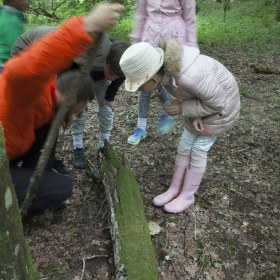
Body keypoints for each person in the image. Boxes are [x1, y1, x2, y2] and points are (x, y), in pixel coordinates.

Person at [0, 3, 125, 221]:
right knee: (61, 188)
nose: (76, 115)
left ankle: (28, 180)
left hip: (12, 145)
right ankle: (14, 215)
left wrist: (63, 113)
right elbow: (22, 70)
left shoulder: (50, 91)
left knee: (50, 131)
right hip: (6, 149)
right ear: (68, 99)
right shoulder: (27, 89)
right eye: (76, 110)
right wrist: (87, 26)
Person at [120, 40, 240, 213]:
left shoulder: (189, 77)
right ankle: (175, 188)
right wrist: (194, 112)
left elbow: (218, 103)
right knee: (185, 146)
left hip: (221, 110)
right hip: (203, 107)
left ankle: (187, 195)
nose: (140, 91)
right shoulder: (168, 74)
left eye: (139, 86)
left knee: (198, 149)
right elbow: (199, 95)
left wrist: (183, 108)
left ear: (153, 78)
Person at [11, 28, 130, 171]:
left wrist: (109, 96)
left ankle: (103, 148)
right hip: (37, 64)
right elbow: (64, 76)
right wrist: (76, 100)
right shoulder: (83, 53)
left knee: (104, 110)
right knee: (48, 112)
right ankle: (71, 148)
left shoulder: (119, 56)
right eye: (110, 72)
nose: (112, 77)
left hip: (76, 74)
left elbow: (119, 75)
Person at [127, 0, 198, 145]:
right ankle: (141, 127)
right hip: (150, 38)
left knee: (166, 82)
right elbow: (141, 15)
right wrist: (135, 45)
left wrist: (192, 49)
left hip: (173, 41)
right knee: (144, 81)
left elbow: (190, 18)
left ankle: (169, 111)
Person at [0, 0, 27, 72]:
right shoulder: (10, 18)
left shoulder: (13, 15)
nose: (25, 3)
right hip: (5, 66)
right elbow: (14, 46)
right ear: (12, 1)